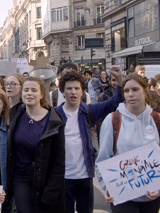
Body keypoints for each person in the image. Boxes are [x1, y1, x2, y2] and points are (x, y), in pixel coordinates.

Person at [96, 74, 160, 213]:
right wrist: (107, 186)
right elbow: (102, 159)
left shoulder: (159, 120)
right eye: (126, 91)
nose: (130, 94)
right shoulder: (112, 120)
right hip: (123, 197)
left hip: (151, 197)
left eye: (135, 89)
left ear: (145, 91)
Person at [55, 65, 124, 213]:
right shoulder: (54, 115)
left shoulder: (89, 111)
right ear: (62, 91)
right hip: (62, 178)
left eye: (77, 88)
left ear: (82, 91)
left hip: (85, 177)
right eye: (69, 88)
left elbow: (115, 101)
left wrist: (119, 79)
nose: (73, 92)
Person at [7, 77, 65, 213]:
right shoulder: (15, 114)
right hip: (20, 178)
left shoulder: (54, 121)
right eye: (26, 90)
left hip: (44, 179)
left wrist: (51, 191)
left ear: (41, 94)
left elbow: (59, 161)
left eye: (34, 90)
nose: (29, 93)